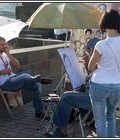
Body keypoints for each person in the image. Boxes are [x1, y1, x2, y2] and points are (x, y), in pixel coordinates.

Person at [0, 36, 53, 119]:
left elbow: (17, 65)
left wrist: (8, 54)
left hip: (14, 79)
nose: (4, 46)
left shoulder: (5, 55)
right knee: (25, 76)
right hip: (6, 83)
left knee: (37, 85)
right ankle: (38, 78)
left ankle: (39, 112)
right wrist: (3, 71)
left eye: (5, 44)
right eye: (2, 45)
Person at [45, 38, 100, 138]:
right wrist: (87, 66)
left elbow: (94, 79)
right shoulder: (104, 60)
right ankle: (87, 119)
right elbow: (92, 76)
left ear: (93, 49)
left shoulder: (97, 60)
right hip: (98, 97)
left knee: (66, 97)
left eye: (88, 50)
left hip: (93, 99)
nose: (87, 52)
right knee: (73, 93)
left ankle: (62, 131)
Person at [88, 9, 120, 137]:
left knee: (100, 121)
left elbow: (90, 67)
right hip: (117, 85)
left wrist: (91, 56)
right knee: (111, 116)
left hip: (99, 84)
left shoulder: (101, 44)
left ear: (104, 24)